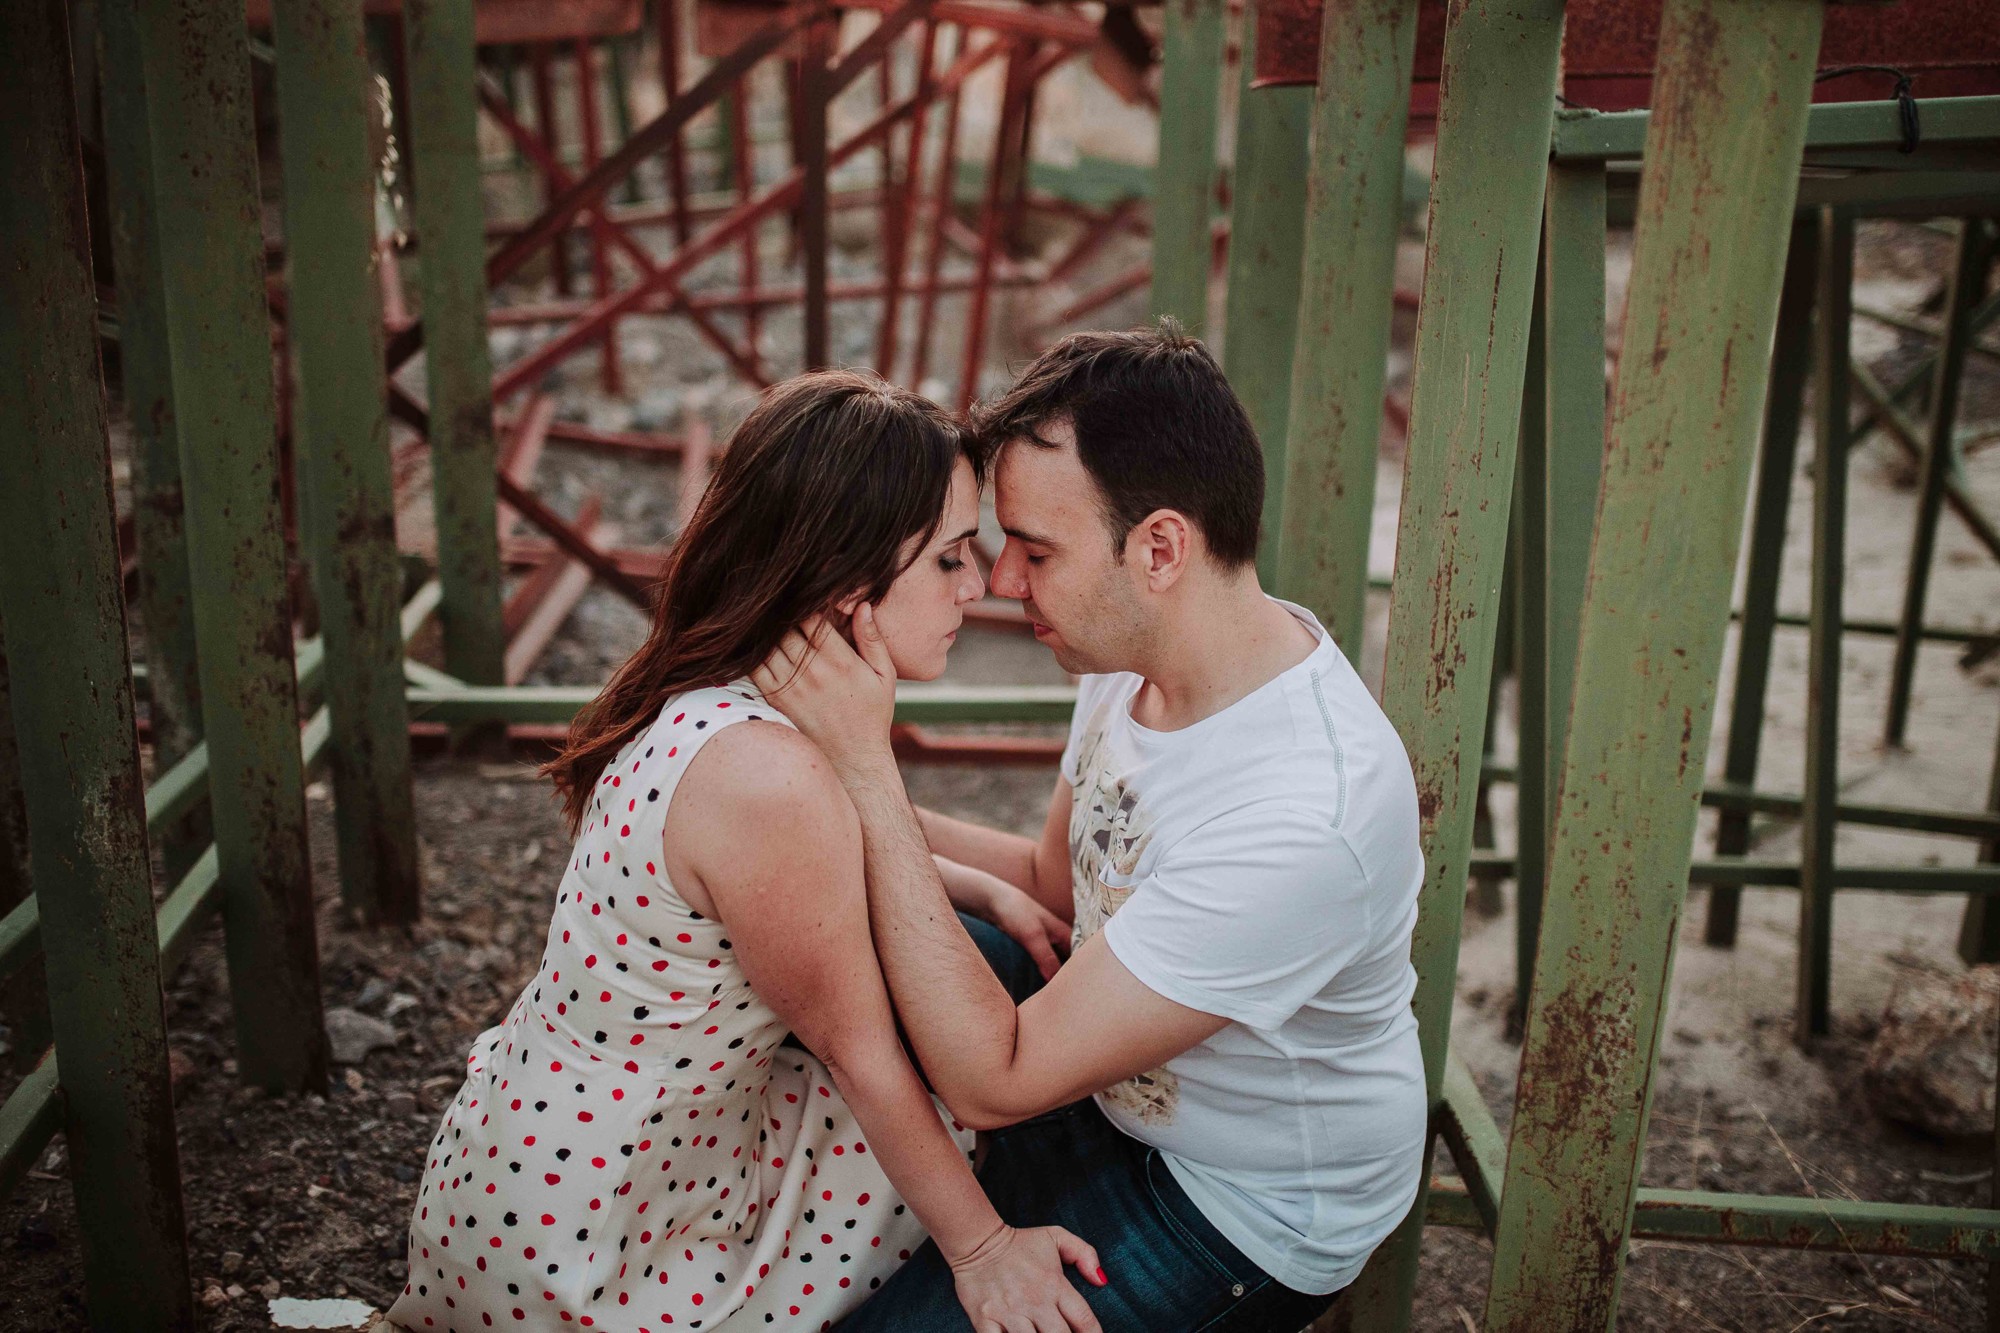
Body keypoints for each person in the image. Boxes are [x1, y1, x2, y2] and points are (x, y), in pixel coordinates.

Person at [389, 370, 1107, 1333]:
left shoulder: (727, 693)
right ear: (848, 574)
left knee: (950, 994)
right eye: (947, 559)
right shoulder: (769, 773)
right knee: (929, 1078)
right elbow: (856, 1051)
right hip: (600, 1234)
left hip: (526, 1167)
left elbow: (794, 877)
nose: (977, 585)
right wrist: (984, 1254)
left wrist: (982, 886)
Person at [753, 324, 1429, 1333]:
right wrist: (801, 780)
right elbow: (1052, 882)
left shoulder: (1301, 815)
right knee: (813, 940)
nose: (1003, 582)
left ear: (1159, 547)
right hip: (1093, 1064)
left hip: (1232, 1202)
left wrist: (862, 765)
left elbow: (995, 1078)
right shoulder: (1135, 655)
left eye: (1033, 549)